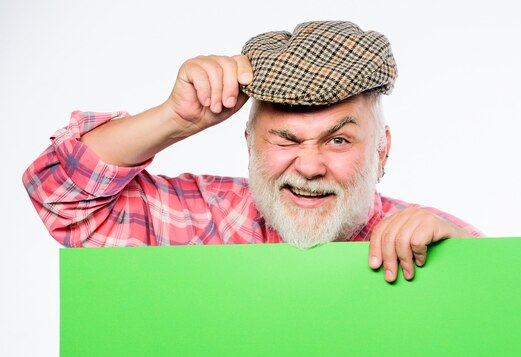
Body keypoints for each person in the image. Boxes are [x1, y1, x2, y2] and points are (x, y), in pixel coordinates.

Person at [23, 21, 482, 283]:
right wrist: (174, 119)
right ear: (248, 145)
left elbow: (517, 335)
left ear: (382, 153)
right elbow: (62, 201)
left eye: (338, 140)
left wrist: (470, 265)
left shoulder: (431, 238)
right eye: (285, 139)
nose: (308, 165)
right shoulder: (205, 219)